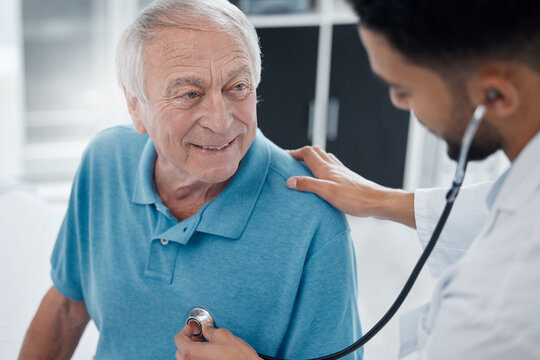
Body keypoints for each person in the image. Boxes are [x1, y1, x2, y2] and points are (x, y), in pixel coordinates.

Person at [174, 0, 540, 359]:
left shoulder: (499, 308)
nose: (397, 103)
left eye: (404, 88)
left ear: (496, 96)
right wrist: (382, 199)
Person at [17, 1, 362, 359]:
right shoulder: (105, 161)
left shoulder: (314, 221)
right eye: (190, 94)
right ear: (136, 106)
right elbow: (66, 309)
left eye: (237, 86)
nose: (221, 121)